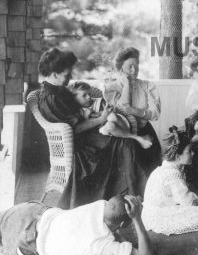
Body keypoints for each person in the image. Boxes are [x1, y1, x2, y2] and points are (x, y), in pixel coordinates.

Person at [37, 48, 145, 209]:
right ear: (54, 74)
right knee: (123, 142)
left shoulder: (59, 90)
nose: (71, 78)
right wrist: (101, 119)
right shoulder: (51, 98)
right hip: (77, 143)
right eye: (67, 75)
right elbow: (74, 129)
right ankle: (126, 197)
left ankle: (130, 194)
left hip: (86, 133)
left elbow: (80, 107)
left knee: (126, 134)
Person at [0, 194, 155, 255]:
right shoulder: (100, 247)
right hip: (29, 242)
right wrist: (137, 219)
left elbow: (116, 208)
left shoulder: (101, 205)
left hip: (32, 211)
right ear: (122, 224)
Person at [141, 127, 198, 235]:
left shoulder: (164, 169)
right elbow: (188, 202)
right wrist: (195, 199)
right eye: (189, 151)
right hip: (158, 216)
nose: (193, 154)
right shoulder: (172, 174)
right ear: (178, 157)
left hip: (150, 213)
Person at [105, 47, 162, 175]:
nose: (134, 70)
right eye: (130, 66)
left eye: (137, 66)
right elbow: (115, 110)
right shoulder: (112, 87)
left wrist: (133, 111)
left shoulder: (147, 85)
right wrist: (126, 84)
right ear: (120, 69)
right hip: (120, 131)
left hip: (143, 129)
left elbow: (155, 114)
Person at [70, 81, 153, 149]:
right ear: (74, 98)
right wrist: (89, 115)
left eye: (89, 94)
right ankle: (137, 138)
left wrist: (104, 112)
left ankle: (134, 136)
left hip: (119, 122)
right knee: (110, 126)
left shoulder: (97, 101)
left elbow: (110, 112)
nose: (89, 97)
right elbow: (80, 127)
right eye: (84, 95)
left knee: (112, 116)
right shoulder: (77, 111)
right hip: (104, 129)